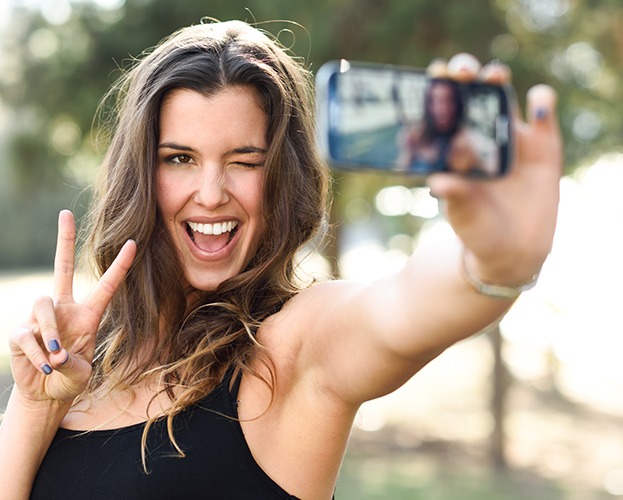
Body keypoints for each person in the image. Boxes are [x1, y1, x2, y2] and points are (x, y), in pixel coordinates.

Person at [0, 19, 561, 500]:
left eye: (245, 161)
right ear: (141, 173)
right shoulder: (84, 357)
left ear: (281, 179)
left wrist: (494, 259)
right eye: (180, 158)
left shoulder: (292, 345)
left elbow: (401, 311)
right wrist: (33, 404)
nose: (213, 192)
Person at [399, 78, 497, 175]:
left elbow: (490, 168)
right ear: (428, 104)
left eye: (448, 100)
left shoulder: (466, 140)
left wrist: (474, 158)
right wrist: (408, 151)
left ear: (458, 105)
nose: (442, 109)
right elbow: (401, 170)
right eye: (436, 101)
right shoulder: (418, 134)